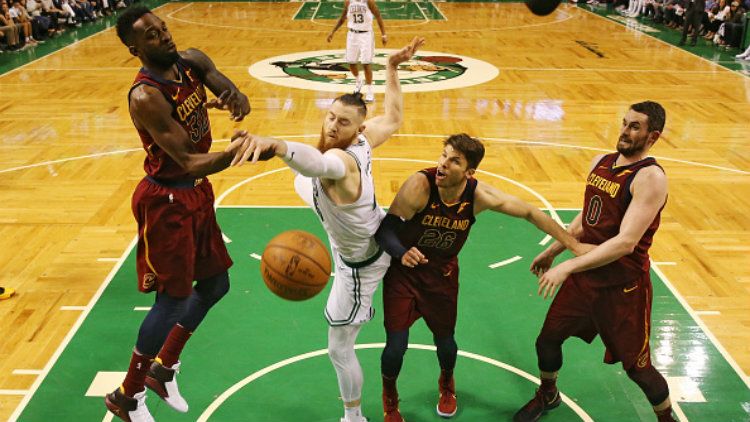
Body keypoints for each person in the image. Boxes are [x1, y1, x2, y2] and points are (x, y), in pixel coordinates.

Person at [231, 36, 425, 422]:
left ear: (357, 128)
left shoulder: (341, 161)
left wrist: (277, 146)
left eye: (344, 122)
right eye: (332, 117)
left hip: (360, 264)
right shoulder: (365, 141)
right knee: (304, 181)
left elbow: (320, 166)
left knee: (338, 348)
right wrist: (391, 68)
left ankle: (353, 417)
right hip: (363, 228)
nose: (334, 125)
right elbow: (395, 118)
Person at [373, 134, 588, 422]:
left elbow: (530, 212)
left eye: (454, 161)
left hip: (442, 277)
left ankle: (447, 384)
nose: (443, 164)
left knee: (446, 342)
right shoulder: (420, 185)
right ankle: (390, 400)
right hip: (405, 275)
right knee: (395, 347)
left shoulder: (478, 196)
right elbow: (385, 229)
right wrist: (400, 252)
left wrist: (573, 245)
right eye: (443, 155)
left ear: (469, 172)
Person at [105, 6, 253, 422]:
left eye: (163, 28)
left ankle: (163, 368)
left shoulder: (190, 61)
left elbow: (227, 88)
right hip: (165, 201)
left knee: (216, 284)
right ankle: (126, 397)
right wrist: (237, 152)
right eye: (152, 36)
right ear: (135, 48)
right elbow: (188, 160)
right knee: (172, 301)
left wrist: (235, 98)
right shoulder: (146, 96)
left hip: (196, 195)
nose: (164, 36)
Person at [513, 101, 676, 422]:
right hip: (585, 279)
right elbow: (587, 219)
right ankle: (548, 393)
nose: (625, 132)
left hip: (622, 289)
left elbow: (626, 243)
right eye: (624, 123)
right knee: (547, 341)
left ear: (652, 136)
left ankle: (667, 418)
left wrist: (566, 266)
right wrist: (554, 250)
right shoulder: (601, 162)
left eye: (635, 127)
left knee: (639, 370)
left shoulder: (650, 178)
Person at [327, 0, 387, 103]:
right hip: (352, 34)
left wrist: (383, 34)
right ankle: (359, 80)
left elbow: (378, 16)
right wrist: (332, 32)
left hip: (366, 35)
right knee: (351, 62)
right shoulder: (348, 2)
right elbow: (342, 18)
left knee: (366, 63)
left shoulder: (369, 2)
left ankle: (369, 91)